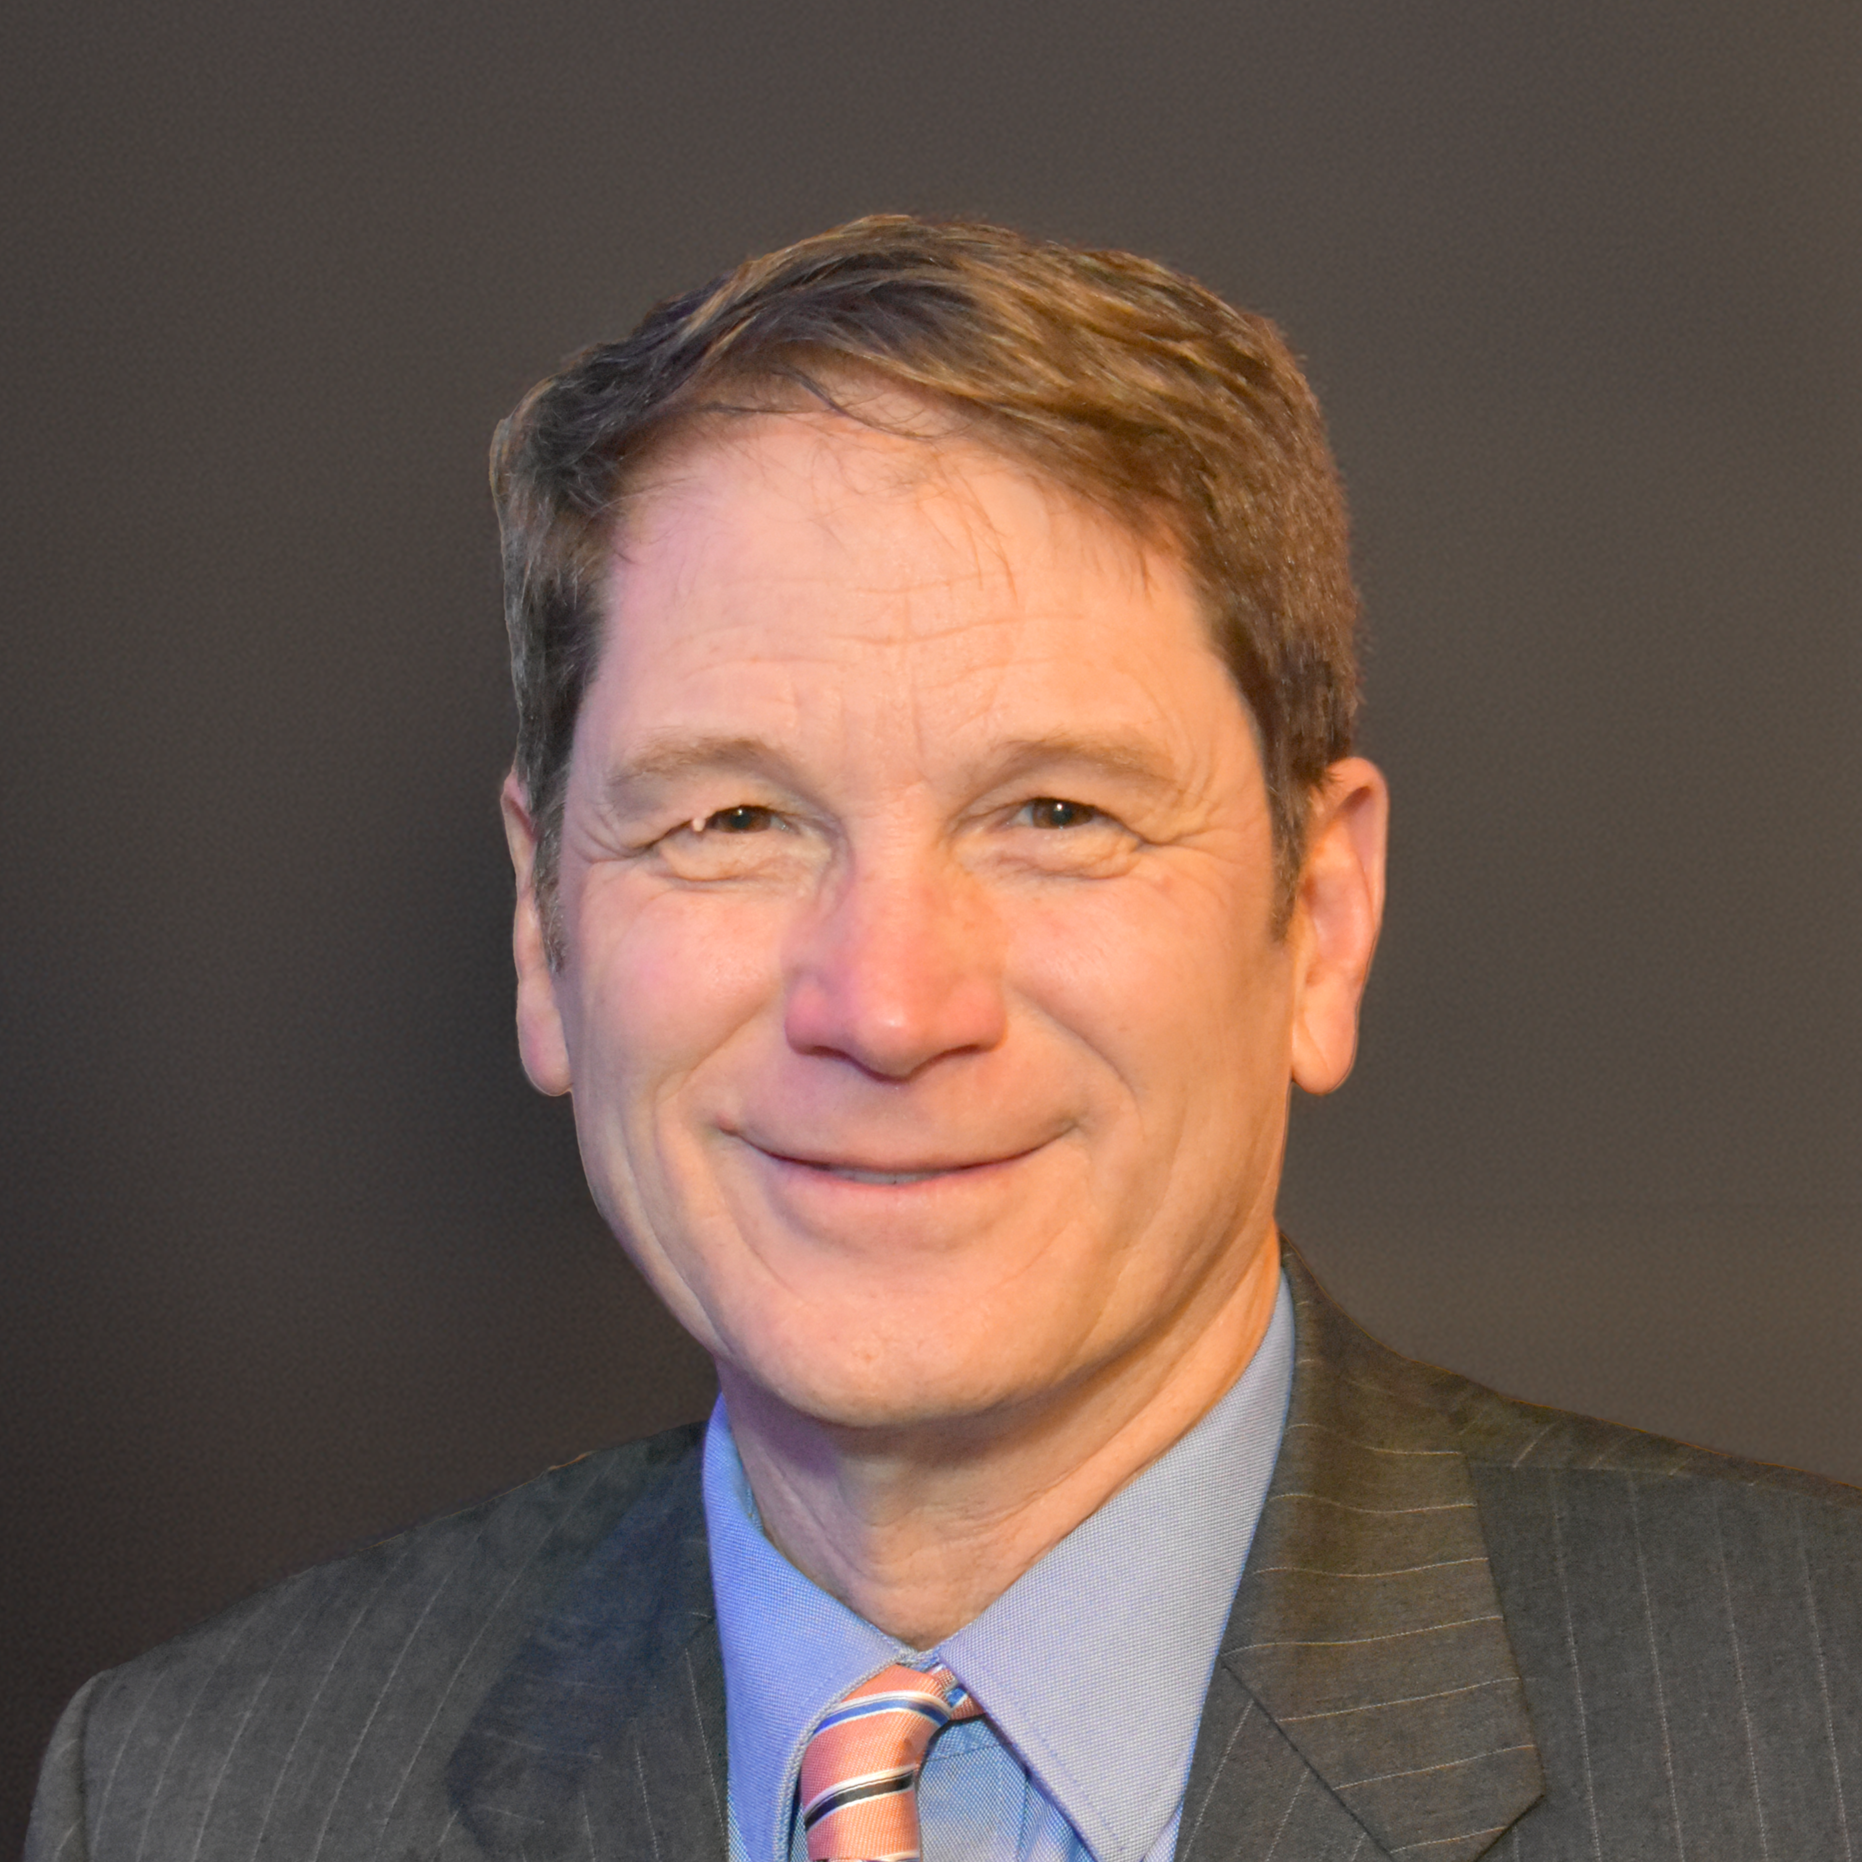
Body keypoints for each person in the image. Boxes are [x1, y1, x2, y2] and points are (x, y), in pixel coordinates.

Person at [27, 216, 1862, 1862]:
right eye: (731, 820)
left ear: (1318, 918)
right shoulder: (198, 1793)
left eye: (1054, 813)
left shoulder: (1814, 1735)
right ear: (543, 925)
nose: (889, 1007)